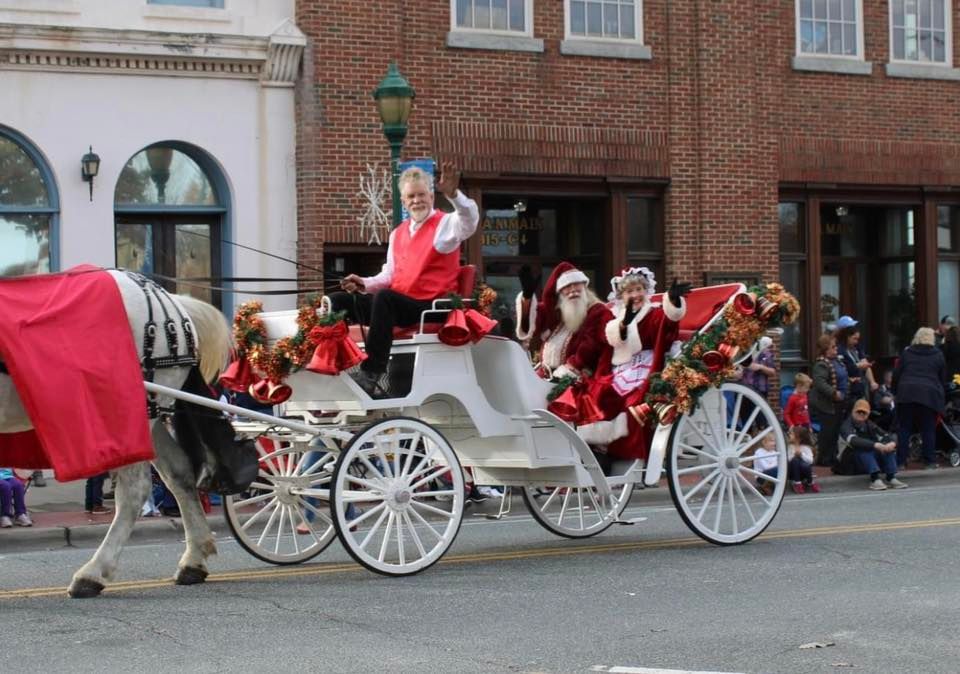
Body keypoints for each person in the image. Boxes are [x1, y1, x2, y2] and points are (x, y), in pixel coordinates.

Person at [330, 161, 479, 398]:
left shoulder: (445, 224)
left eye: (422, 195)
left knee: (385, 299)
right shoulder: (398, 233)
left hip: (431, 305)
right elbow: (389, 275)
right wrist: (363, 283)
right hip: (401, 305)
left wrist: (454, 195)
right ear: (404, 200)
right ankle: (330, 363)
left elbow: (469, 220)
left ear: (431, 196)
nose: (417, 200)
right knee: (337, 301)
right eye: (411, 196)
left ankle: (372, 371)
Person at [600, 266, 689, 460]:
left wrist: (673, 302)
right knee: (601, 397)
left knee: (632, 405)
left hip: (650, 367)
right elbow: (610, 342)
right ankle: (604, 452)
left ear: (646, 290)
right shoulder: (614, 318)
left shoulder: (655, 313)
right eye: (629, 291)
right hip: (621, 368)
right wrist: (623, 325)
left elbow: (669, 329)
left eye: (639, 289)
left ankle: (633, 459)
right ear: (621, 296)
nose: (635, 295)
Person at [516, 261, 614, 381]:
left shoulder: (598, 311)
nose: (573, 290)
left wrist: (571, 367)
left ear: (584, 285)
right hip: (546, 377)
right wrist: (527, 297)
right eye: (567, 287)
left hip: (578, 380)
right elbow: (531, 326)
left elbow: (592, 345)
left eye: (576, 284)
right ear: (560, 292)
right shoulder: (558, 312)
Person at [893, 326, 947, 469]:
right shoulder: (938, 354)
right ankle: (929, 461)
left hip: (907, 393)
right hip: (929, 395)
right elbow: (942, 378)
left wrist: (895, 392)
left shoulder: (907, 353)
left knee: (904, 428)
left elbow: (897, 374)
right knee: (928, 429)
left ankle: (900, 461)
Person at [840, 399, 907, 490]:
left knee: (887, 449)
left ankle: (891, 477)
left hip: (866, 460)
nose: (861, 414)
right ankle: (874, 479)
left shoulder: (869, 424)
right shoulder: (846, 425)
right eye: (859, 411)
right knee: (864, 448)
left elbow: (886, 435)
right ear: (853, 411)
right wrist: (875, 445)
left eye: (864, 412)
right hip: (849, 462)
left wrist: (891, 443)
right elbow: (854, 441)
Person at [809, 334, 846, 467]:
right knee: (828, 432)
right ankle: (824, 458)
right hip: (827, 403)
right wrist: (833, 392)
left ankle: (832, 456)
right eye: (833, 347)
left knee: (835, 431)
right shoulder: (821, 364)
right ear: (825, 349)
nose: (836, 349)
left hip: (840, 402)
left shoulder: (837, 361)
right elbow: (820, 382)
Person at [834, 316, 877, 408]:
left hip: (860, 388)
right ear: (846, 334)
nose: (856, 341)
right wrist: (857, 366)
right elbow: (840, 369)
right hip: (847, 390)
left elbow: (865, 365)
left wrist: (872, 382)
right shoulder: (839, 350)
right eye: (854, 338)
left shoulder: (857, 348)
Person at [786, 426, 819, 494]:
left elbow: (810, 461)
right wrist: (793, 456)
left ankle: (810, 482)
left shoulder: (806, 447)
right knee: (795, 460)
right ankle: (797, 483)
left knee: (805, 465)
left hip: (803, 472)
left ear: (798, 437)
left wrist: (801, 455)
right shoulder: (790, 447)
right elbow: (787, 460)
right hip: (791, 472)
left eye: (791, 434)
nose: (789, 435)